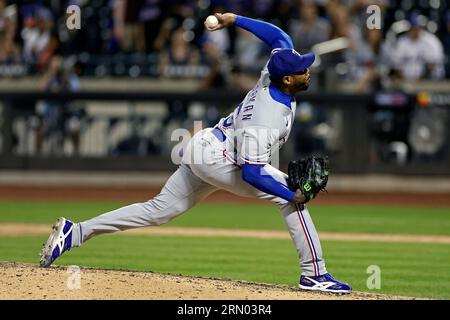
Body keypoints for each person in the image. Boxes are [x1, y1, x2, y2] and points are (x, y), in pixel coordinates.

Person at [40, 12, 352, 294]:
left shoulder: (273, 72)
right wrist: (292, 193)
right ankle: (315, 274)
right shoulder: (266, 119)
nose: (307, 71)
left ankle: (76, 232)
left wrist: (235, 19)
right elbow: (252, 172)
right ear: (287, 79)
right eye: (302, 70)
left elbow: (278, 37)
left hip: (205, 146)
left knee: (158, 210)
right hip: (222, 159)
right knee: (290, 197)